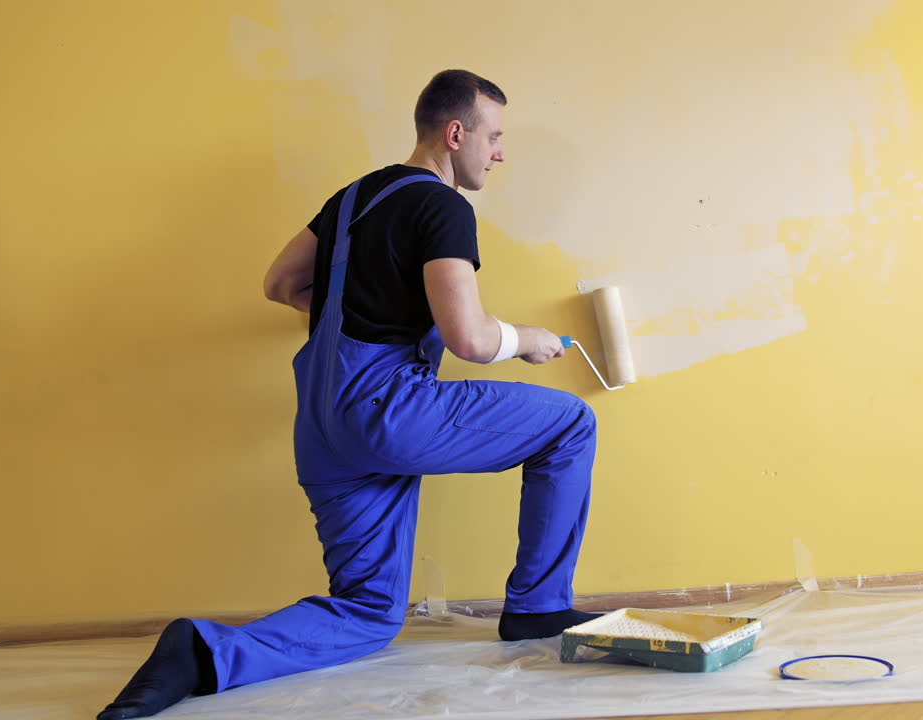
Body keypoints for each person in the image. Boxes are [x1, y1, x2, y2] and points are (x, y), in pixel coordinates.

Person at [97, 69, 600, 720]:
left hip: (323, 427)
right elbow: (469, 339)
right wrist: (529, 338)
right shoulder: (442, 207)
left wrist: (382, 299)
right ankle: (538, 607)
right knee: (570, 425)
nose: (499, 152)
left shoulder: (352, 199)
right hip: (390, 411)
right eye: (494, 136)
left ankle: (202, 652)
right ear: (456, 133)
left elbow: (281, 283)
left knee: (368, 611)